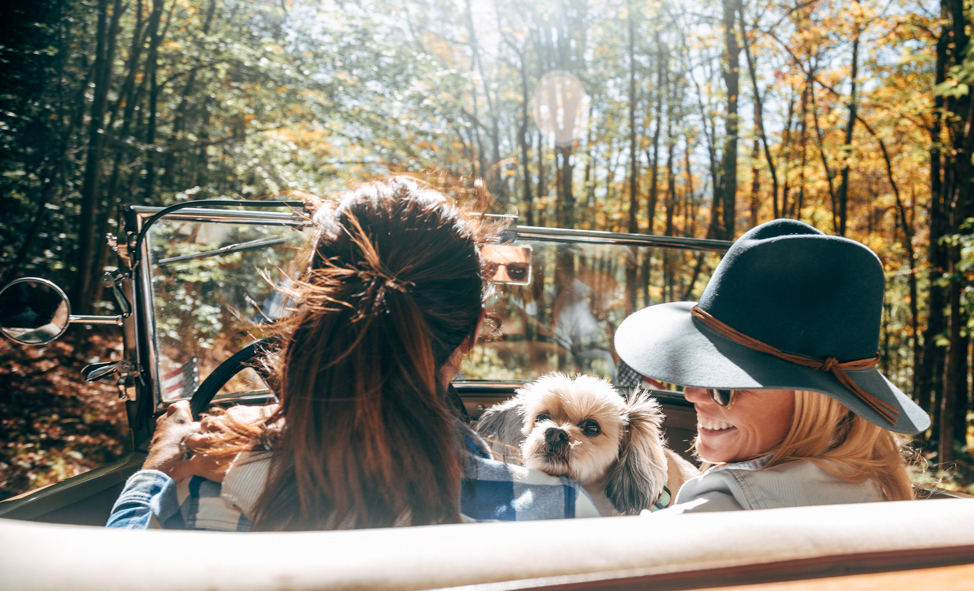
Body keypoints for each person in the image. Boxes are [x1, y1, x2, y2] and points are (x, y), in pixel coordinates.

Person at [108, 176, 599, 530]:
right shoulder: (562, 515)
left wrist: (154, 472)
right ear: (469, 335)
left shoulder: (194, 491)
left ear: (310, 313)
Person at [613, 219, 930, 514]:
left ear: (824, 403)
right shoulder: (877, 490)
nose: (693, 394)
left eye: (724, 386)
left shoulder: (707, 517)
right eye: (694, 376)